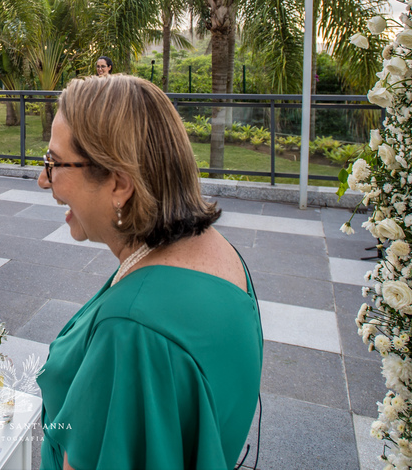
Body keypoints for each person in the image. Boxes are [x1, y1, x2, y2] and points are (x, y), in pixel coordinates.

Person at [37, 75, 262, 470]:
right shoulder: (219, 253)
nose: (43, 179)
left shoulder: (131, 330)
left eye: (54, 163)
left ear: (119, 184)